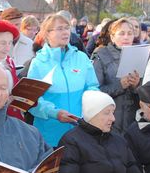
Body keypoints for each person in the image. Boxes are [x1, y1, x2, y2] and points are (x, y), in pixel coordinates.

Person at [27, 13, 99, 147]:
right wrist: (55, 113)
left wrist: (86, 111)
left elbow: (93, 87)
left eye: (67, 28)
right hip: (51, 135)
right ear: (47, 34)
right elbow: (33, 100)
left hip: (81, 131)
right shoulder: (38, 63)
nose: (65, 32)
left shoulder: (81, 58)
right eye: (59, 29)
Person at [92, 18, 141, 133]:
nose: (126, 37)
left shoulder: (140, 54)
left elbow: (148, 91)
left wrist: (137, 85)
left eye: (130, 33)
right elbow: (95, 91)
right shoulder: (101, 55)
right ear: (112, 37)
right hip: (110, 120)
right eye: (121, 33)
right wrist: (120, 85)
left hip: (134, 120)